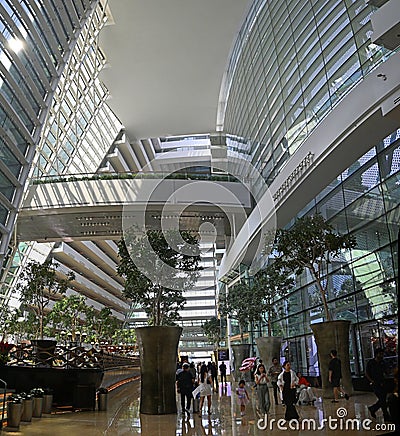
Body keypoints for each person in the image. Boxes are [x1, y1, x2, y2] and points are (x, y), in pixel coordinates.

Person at [365, 347, 390, 421]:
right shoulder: (371, 363)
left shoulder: (383, 362)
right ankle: (386, 416)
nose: (382, 355)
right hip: (375, 384)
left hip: (382, 383)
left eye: (382, 354)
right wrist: (371, 381)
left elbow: (386, 372)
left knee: (383, 400)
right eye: (381, 354)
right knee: (382, 400)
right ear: (377, 354)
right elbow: (367, 373)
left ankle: (373, 409)